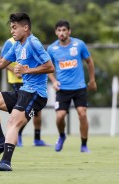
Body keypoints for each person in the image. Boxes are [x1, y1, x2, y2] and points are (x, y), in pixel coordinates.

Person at [0, 12, 55, 171]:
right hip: (24, 91)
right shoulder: (17, 45)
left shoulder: (33, 43)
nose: (12, 31)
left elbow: (50, 67)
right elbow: (1, 63)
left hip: (36, 94)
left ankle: (5, 162)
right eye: (11, 28)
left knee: (13, 122)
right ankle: (0, 141)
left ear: (25, 28)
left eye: (15, 27)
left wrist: (27, 71)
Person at [47, 20, 97, 153]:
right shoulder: (52, 49)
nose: (62, 33)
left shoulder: (79, 44)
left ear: (69, 31)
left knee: (82, 114)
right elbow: (47, 67)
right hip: (62, 89)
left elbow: (89, 62)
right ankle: (62, 136)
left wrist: (92, 81)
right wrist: (53, 80)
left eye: (64, 30)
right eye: (59, 30)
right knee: (59, 117)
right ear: (56, 32)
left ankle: (84, 145)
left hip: (79, 87)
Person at [0, 37, 47, 147]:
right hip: (18, 81)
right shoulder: (10, 42)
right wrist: (15, 71)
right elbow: (2, 60)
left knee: (37, 111)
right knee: (20, 110)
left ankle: (37, 138)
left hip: (32, 82)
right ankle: (18, 135)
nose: (13, 30)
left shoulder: (32, 42)